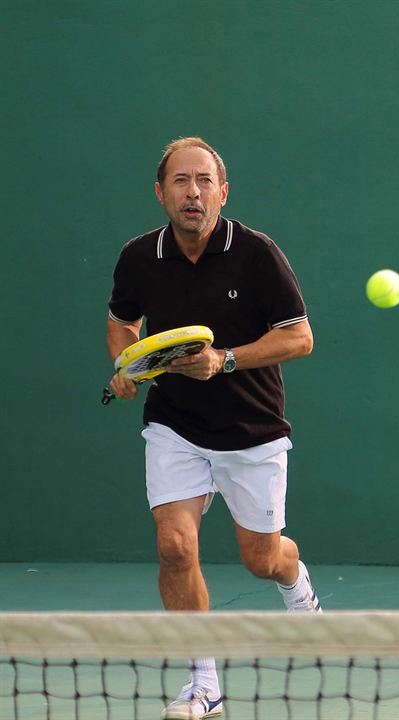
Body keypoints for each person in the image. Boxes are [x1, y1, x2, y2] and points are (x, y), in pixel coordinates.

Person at [106, 137, 320, 720]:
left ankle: (297, 587)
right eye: (180, 180)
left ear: (223, 193)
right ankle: (203, 683)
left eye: (204, 181)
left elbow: (299, 337)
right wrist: (124, 365)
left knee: (262, 558)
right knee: (175, 548)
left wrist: (223, 360)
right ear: (161, 193)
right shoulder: (138, 257)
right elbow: (123, 322)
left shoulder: (256, 254)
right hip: (175, 424)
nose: (192, 191)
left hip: (252, 429)